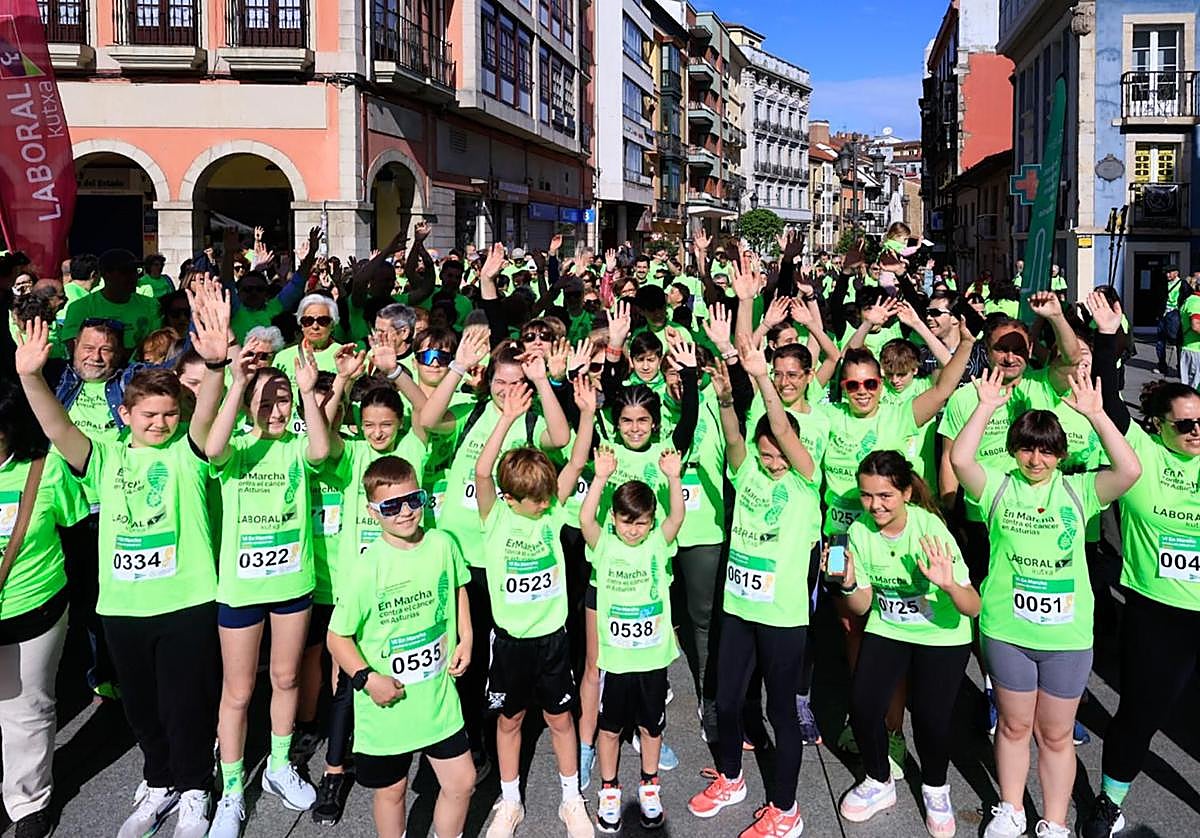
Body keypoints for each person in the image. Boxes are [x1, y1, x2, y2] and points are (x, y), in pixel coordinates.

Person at [15, 281, 230, 838]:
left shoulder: (189, 452)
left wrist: (215, 362)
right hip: (123, 606)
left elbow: (205, 409)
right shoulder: (105, 457)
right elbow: (57, 428)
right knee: (139, 707)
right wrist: (30, 375)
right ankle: (159, 782)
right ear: (127, 414)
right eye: (148, 414)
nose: (159, 424)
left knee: (186, 704)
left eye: (167, 414)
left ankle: (194, 791)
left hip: (185, 602)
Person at [950, 368, 1141, 838]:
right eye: (1027, 447)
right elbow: (959, 458)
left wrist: (1097, 415)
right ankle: (1011, 808)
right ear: (1014, 449)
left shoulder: (1079, 492)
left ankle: (1054, 821)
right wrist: (985, 407)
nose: (1036, 458)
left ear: (1061, 454)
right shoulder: (997, 487)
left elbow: (1130, 470)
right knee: (1013, 728)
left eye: (1047, 449)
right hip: (1007, 632)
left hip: (1067, 638)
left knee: (1055, 735)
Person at [202, 338, 333, 836]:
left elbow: (321, 450)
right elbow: (212, 448)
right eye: (268, 399)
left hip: (292, 582)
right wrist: (238, 382)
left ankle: (279, 764)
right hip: (240, 587)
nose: (276, 409)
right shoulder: (235, 444)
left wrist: (306, 394)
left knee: (286, 679)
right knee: (237, 692)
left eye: (283, 400)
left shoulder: (297, 444)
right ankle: (233, 789)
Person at [1080, 298, 1200, 837]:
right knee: (1139, 714)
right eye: (1187, 424)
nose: (1197, 432)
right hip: (1158, 611)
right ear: (1160, 425)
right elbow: (1106, 405)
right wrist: (1109, 339)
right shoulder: (1142, 455)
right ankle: (1110, 800)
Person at [689, 335, 818, 838]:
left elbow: (782, 430)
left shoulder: (806, 482)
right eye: (766, 453)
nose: (772, 460)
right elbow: (736, 438)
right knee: (725, 699)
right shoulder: (747, 473)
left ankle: (786, 810)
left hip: (782, 618)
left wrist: (763, 378)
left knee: (780, 711)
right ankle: (731, 779)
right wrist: (724, 397)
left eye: (779, 453)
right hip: (739, 608)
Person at [326, 455, 475, 838]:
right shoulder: (366, 568)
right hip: (386, 709)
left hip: (437, 698)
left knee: (461, 781)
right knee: (392, 792)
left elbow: (458, 585)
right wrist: (366, 679)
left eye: (414, 500)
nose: (406, 512)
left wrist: (467, 635)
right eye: (392, 506)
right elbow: (336, 637)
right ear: (373, 511)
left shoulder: (442, 543)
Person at [836, 451, 979, 837]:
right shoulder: (859, 532)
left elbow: (973, 606)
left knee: (932, 719)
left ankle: (935, 789)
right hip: (890, 626)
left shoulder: (930, 529)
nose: (874, 506)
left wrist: (948, 583)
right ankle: (879, 781)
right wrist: (848, 581)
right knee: (864, 707)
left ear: (906, 493)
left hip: (942, 633)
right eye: (867, 496)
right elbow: (863, 605)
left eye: (885, 496)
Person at [472, 388, 592, 838]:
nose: (546, 505)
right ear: (511, 498)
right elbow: (484, 471)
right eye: (537, 500)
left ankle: (570, 799)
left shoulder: (550, 512)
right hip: (509, 643)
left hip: (552, 641)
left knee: (561, 719)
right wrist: (505, 418)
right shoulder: (497, 516)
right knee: (511, 720)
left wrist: (587, 412)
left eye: (548, 498)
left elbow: (576, 463)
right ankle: (510, 801)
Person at [580, 442, 685, 832]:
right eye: (626, 521)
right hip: (617, 661)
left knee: (651, 727)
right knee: (609, 729)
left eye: (641, 522)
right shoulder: (604, 545)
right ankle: (609, 787)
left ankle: (650, 783)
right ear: (615, 518)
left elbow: (677, 515)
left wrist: (673, 478)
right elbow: (585, 518)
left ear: (651, 522)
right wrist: (601, 477)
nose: (634, 529)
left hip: (653, 660)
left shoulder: (659, 543)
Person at [0, 381, 88, 838]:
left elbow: (75, 524)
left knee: (26, 709)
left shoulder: (43, 469)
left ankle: (28, 802)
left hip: (32, 608)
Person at [60, 249, 163, 352]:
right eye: (125, 271)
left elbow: (158, 344)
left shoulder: (151, 305)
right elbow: (72, 346)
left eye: (135, 270)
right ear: (105, 274)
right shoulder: (80, 307)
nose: (133, 276)